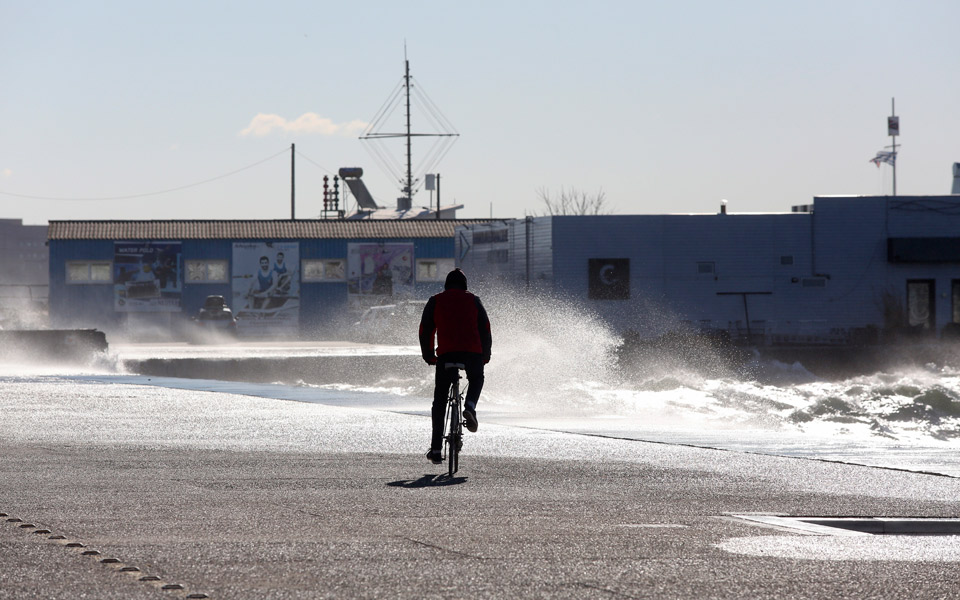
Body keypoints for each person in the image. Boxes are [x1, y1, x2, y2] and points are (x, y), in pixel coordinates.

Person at [418, 268, 492, 464]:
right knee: (476, 378)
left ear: (446, 285)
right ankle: (470, 406)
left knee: (440, 400)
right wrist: (485, 355)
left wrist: (429, 355)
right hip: (473, 353)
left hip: (446, 354)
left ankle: (435, 449)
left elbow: (426, 329)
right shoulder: (474, 300)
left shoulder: (436, 300)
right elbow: (485, 328)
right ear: (465, 285)